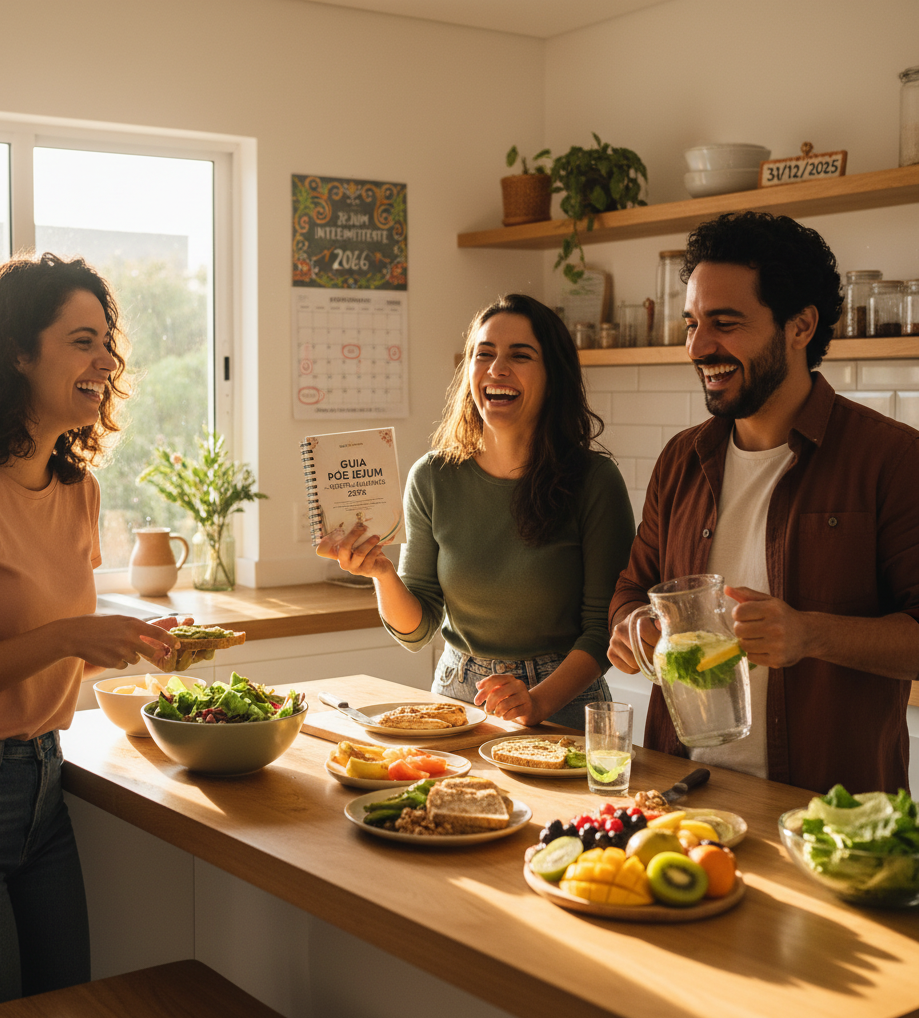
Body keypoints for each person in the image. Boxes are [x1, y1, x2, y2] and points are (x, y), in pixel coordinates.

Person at [0, 253, 187, 1018]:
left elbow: (32, 644)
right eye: (82, 342)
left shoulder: (77, 490)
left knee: (64, 1015)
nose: (106, 362)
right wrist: (65, 639)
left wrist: (126, 640)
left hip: (43, 786)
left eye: (108, 344)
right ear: (16, 353)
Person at [607, 211, 919, 795]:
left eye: (724, 323)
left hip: (826, 809)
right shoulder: (681, 460)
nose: (698, 346)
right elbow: (632, 589)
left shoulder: (893, 458)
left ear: (800, 326)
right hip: (682, 790)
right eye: (692, 323)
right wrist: (632, 627)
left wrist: (810, 634)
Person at [318, 294, 634, 728]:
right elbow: (417, 631)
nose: (496, 368)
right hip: (457, 694)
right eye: (483, 354)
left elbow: (603, 629)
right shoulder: (432, 477)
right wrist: (382, 574)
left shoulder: (595, 481)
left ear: (554, 375)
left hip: (563, 702)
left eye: (520, 355)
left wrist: (537, 702)